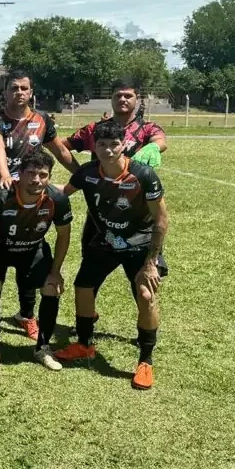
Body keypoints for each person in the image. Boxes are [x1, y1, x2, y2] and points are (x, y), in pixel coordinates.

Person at [55, 120, 169, 390]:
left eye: (114, 144)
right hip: (105, 242)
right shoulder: (87, 172)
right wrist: (30, 185)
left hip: (140, 245)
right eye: (102, 145)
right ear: (94, 146)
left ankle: (145, 360)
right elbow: (64, 192)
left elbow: (161, 219)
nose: (107, 150)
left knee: (145, 294)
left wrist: (152, 261)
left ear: (124, 146)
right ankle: (84, 345)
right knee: (82, 287)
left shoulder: (143, 175)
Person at [0, 69, 80, 339]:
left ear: (31, 92)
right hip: (3, 197)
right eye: (14, 88)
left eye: (24, 88)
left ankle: (26, 315)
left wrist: (82, 175)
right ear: (5, 92)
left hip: (34, 198)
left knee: (29, 248)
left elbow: (60, 150)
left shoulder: (42, 120)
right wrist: (4, 175)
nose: (19, 93)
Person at [0, 149, 72, 371]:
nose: (36, 180)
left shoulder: (57, 199)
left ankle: (43, 348)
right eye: (30, 173)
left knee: (51, 288)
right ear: (19, 173)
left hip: (33, 249)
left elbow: (63, 235)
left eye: (43, 174)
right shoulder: (0, 197)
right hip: (1, 249)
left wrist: (56, 270)